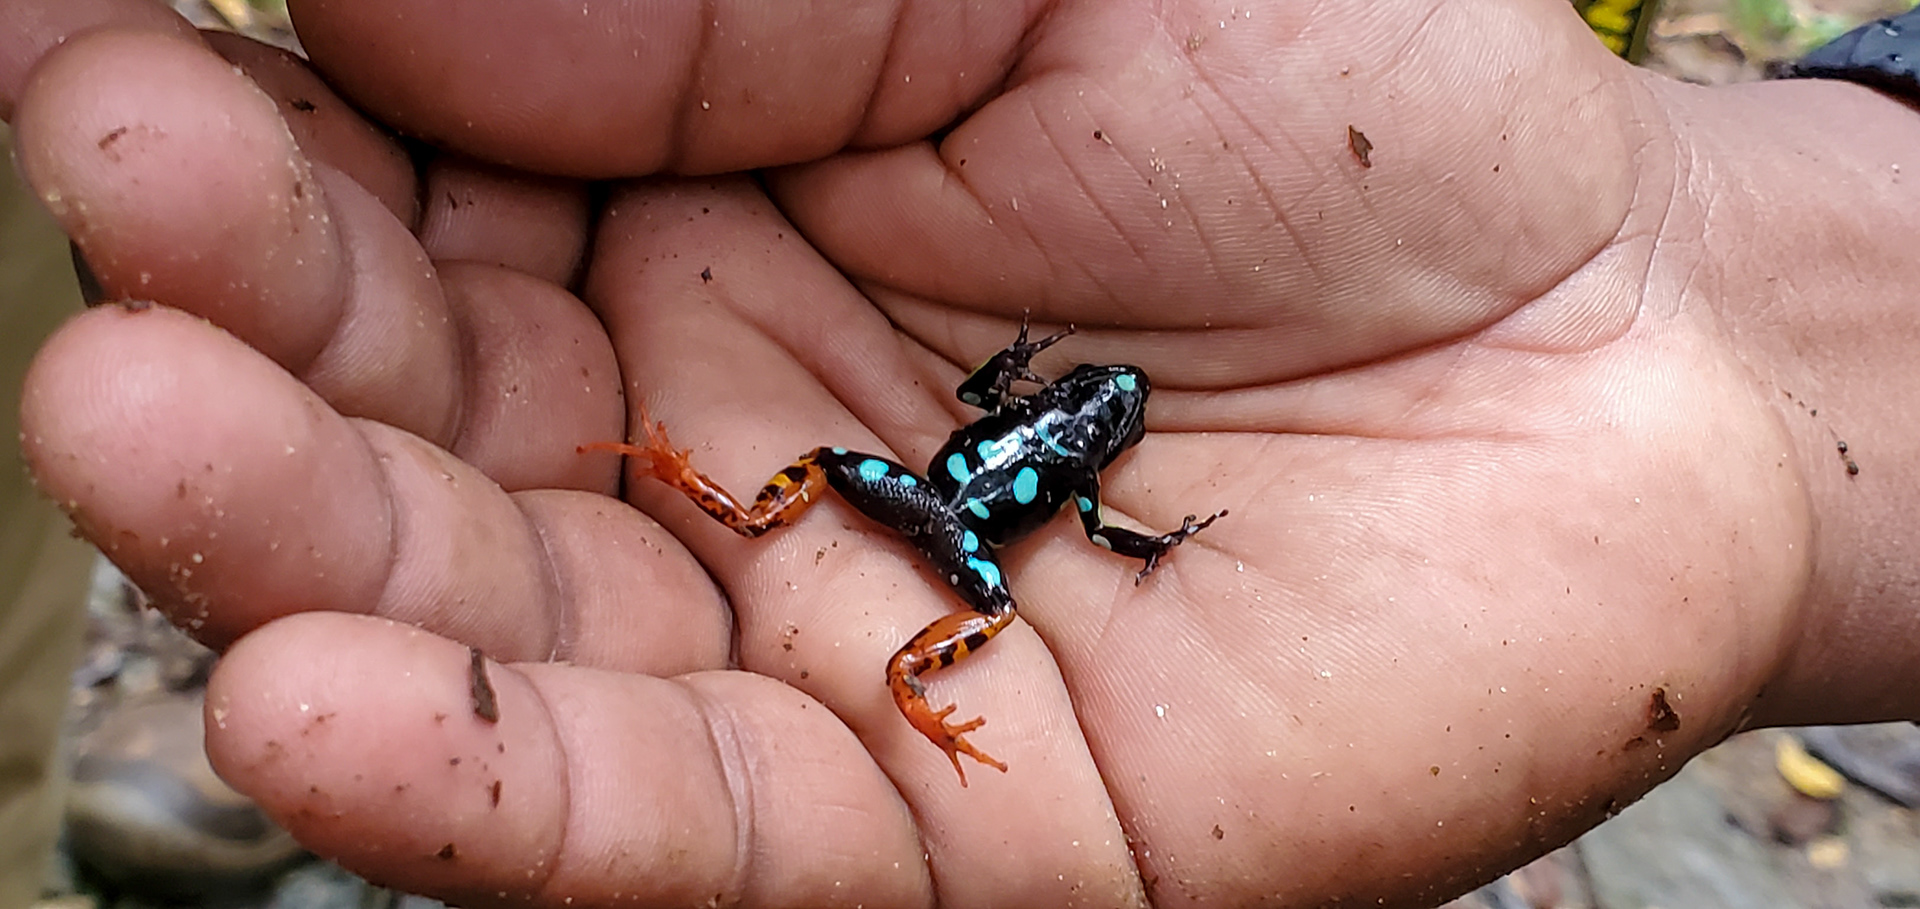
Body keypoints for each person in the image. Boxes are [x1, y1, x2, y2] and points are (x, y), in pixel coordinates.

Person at [4, 0, 1918, 904]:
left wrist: (1103, 497)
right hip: (948, 516)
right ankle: (709, 492)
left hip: (957, 524)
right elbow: (1076, 475)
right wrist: (1076, 469)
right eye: (1101, 415)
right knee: (875, 501)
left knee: (912, 542)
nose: (1105, 426)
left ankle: (883, 652)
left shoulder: (1066, 464)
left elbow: (1090, 485)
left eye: (1102, 424)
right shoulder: (1060, 459)